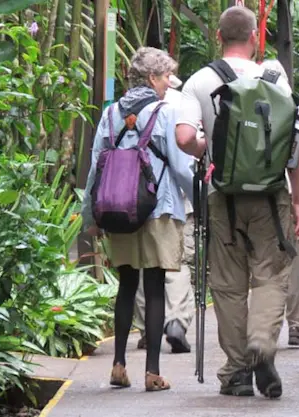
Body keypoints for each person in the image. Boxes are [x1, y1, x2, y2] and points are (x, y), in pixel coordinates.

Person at [174, 6, 299, 399]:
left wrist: (207, 147)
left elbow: (184, 138)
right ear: (254, 38)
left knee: (229, 286)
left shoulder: (199, 81)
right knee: (271, 275)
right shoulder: (275, 78)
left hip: (222, 197)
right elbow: (295, 141)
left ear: (218, 37)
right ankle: (261, 344)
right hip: (270, 196)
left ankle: (236, 373)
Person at [81, 47, 194, 392]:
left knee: (127, 284)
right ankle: (152, 372)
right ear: (151, 78)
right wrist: (202, 200)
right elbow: (180, 166)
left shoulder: (110, 114)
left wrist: (90, 215)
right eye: (165, 77)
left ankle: (118, 365)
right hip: (158, 208)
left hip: (118, 209)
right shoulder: (166, 112)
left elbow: (96, 167)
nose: (168, 83)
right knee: (156, 286)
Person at [133, 74, 194, 354]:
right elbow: (183, 165)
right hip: (170, 199)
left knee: (142, 264)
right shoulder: (179, 107)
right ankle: (176, 321)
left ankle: (148, 328)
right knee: (176, 262)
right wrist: (198, 198)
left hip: (133, 199)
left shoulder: (124, 108)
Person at [262, 58, 299, 347]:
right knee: (295, 259)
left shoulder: (246, 108)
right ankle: (297, 324)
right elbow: (298, 161)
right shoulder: (293, 111)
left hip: (252, 195)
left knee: (262, 265)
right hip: (285, 194)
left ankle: (264, 326)